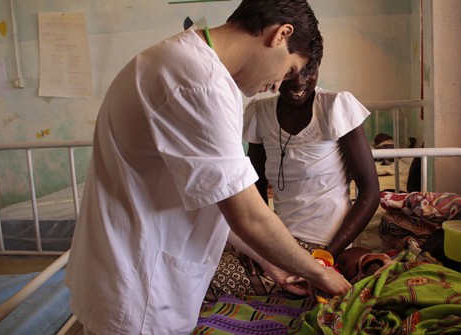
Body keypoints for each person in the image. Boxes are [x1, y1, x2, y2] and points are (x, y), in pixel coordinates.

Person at [64, 1, 351, 333]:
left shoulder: (183, 63)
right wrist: (320, 273)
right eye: (288, 70)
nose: (278, 85)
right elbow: (248, 214)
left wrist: (270, 261)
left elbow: (215, 195)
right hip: (140, 287)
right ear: (280, 34)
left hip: (129, 273)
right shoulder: (198, 82)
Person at [206, 62, 379, 299]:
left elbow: (370, 193)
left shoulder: (334, 106)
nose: (299, 81)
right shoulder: (260, 112)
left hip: (320, 244)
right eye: (288, 71)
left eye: (309, 70)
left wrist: (322, 261)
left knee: (205, 277)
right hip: (277, 239)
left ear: (319, 65)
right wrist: (260, 245)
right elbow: (254, 191)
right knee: (200, 258)